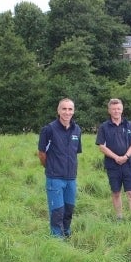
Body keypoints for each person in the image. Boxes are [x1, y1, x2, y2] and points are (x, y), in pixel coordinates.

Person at [37, 98, 82, 238]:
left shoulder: (77, 130)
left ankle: (67, 235)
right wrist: (50, 167)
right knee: (57, 212)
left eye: (70, 109)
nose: (67, 112)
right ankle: (57, 241)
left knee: (68, 210)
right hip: (55, 178)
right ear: (58, 110)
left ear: (73, 111)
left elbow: (75, 152)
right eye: (64, 109)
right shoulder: (48, 130)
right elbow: (41, 153)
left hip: (71, 178)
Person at [96, 98, 131, 219]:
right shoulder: (104, 127)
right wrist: (116, 157)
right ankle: (119, 217)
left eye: (118, 109)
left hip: (129, 164)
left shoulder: (129, 124)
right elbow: (101, 146)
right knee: (116, 193)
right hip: (113, 165)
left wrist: (125, 156)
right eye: (113, 109)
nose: (116, 111)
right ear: (109, 111)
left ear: (122, 110)